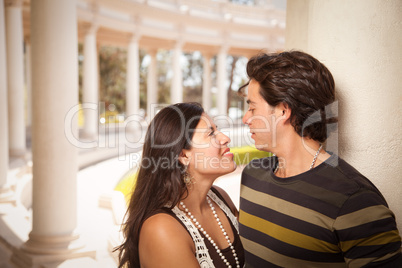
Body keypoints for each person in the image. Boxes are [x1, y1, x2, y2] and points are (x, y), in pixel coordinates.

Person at [238, 51, 402, 267]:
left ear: (283, 110)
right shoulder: (252, 175)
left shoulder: (353, 199)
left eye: (252, 108)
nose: (245, 118)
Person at [115, 102, 245, 268]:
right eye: (211, 133)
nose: (225, 138)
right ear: (183, 155)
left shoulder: (220, 198)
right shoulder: (161, 229)